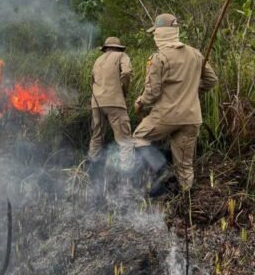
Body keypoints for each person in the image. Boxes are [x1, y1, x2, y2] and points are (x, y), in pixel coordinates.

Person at [133, 13, 217, 195]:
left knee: (139, 137)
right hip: (192, 118)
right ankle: (186, 205)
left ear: (160, 33)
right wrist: (192, 91)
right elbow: (211, 80)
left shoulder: (159, 57)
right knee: (185, 166)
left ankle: (161, 171)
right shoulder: (196, 53)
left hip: (166, 117)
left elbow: (152, 93)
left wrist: (140, 102)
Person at [88, 36, 133, 170]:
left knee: (96, 137)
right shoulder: (122, 55)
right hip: (115, 103)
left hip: (96, 103)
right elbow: (126, 72)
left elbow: (91, 81)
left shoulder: (98, 60)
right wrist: (124, 91)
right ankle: (127, 175)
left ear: (106, 48)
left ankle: (91, 168)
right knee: (125, 141)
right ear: (118, 47)